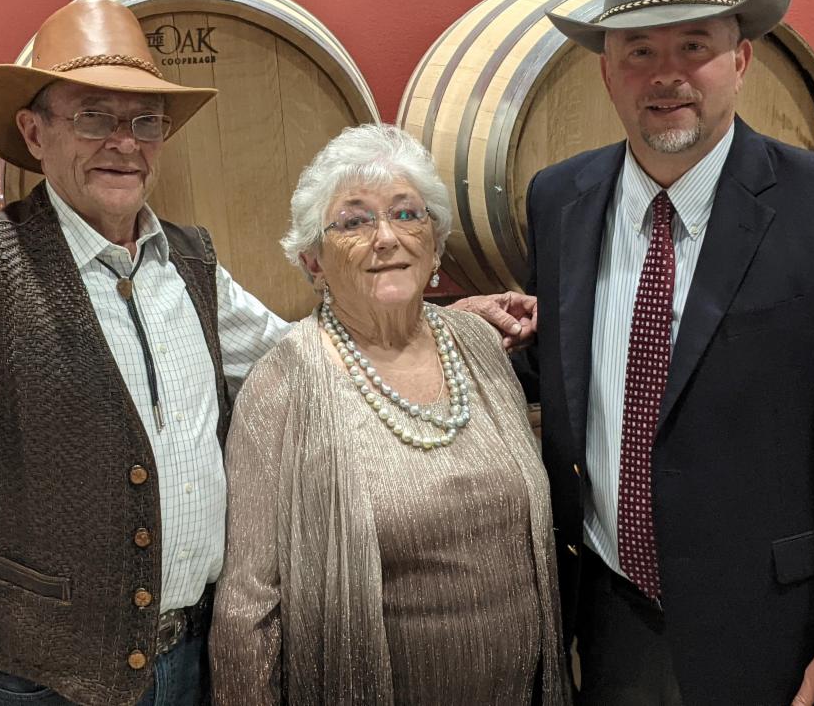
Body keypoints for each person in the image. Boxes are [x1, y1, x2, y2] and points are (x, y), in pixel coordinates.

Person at [0, 0, 532, 706]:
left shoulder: (187, 263)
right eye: (94, 117)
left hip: (189, 666)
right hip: (39, 685)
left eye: (145, 122)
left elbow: (310, 358)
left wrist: (437, 317)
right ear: (34, 133)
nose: (123, 144)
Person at [523, 0, 814, 706]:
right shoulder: (560, 201)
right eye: (639, 51)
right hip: (608, 616)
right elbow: (567, 378)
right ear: (606, 72)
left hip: (776, 629)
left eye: (694, 46)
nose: (665, 73)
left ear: (741, 61)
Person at [209, 124, 571, 705]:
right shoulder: (283, 384)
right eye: (353, 221)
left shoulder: (478, 346)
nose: (386, 237)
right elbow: (249, 604)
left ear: (435, 242)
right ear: (314, 261)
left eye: (407, 214)